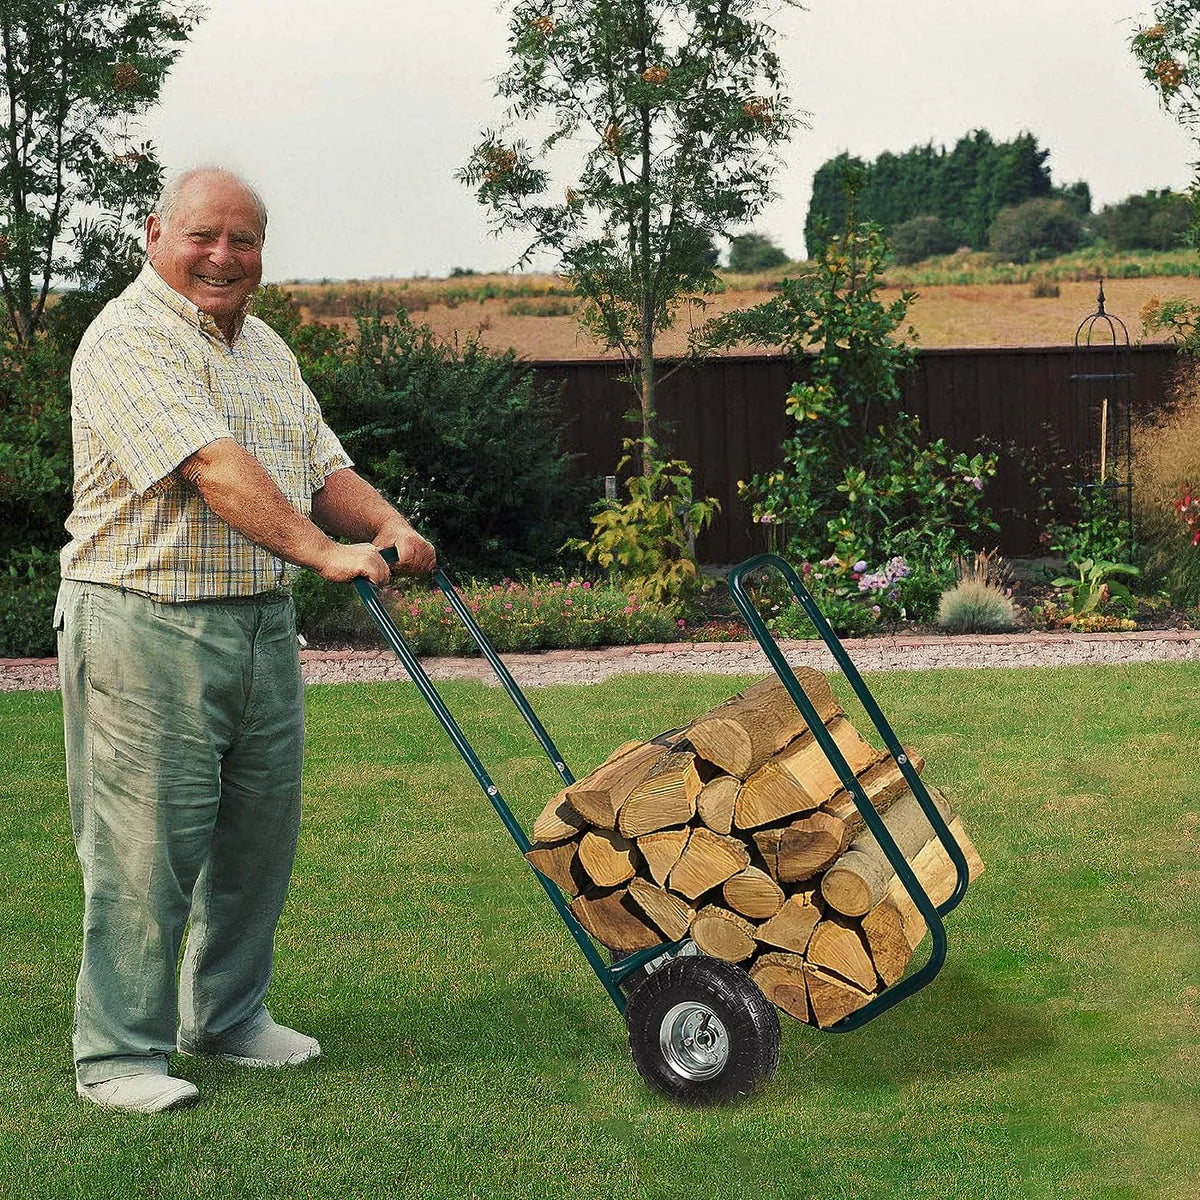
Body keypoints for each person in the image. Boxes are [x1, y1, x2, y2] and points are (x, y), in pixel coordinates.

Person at [56, 166, 435, 1114]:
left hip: (261, 623)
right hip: (145, 623)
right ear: (155, 235)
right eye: (204, 236)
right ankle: (118, 1056)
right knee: (144, 855)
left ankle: (227, 1020)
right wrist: (323, 553)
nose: (225, 256)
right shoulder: (126, 340)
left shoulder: (262, 348)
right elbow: (213, 468)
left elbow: (320, 466)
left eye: (245, 240)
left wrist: (390, 525)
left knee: (256, 845)